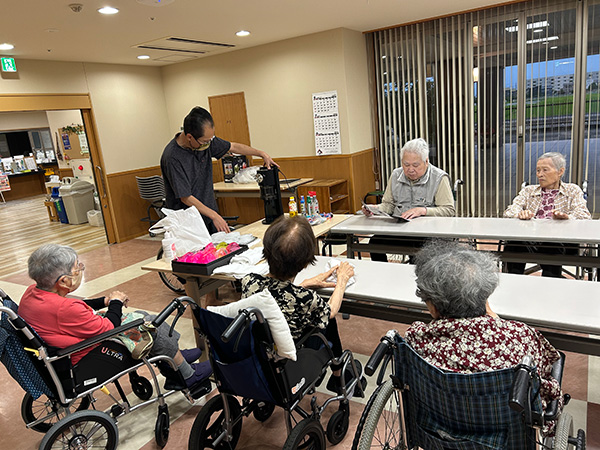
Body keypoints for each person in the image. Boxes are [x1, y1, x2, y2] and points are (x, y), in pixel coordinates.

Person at [405, 240, 562, 424]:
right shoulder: (520, 336)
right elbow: (544, 380)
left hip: (439, 426)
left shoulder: (416, 337)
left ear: (432, 307)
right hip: (506, 433)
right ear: (486, 294)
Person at [19, 244, 211, 390]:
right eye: (78, 268)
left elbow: (74, 306)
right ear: (63, 281)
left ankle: (174, 357)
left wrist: (105, 301)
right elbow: (110, 326)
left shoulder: (32, 293)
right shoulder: (66, 309)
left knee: (142, 316)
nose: (80, 270)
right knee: (149, 323)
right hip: (86, 355)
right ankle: (187, 374)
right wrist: (116, 302)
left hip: (61, 352)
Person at [240, 215, 356, 393]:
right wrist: (342, 280)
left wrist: (305, 284)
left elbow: (274, 296)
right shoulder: (306, 299)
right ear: (305, 262)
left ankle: (337, 374)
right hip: (291, 362)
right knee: (328, 321)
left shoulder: (249, 281)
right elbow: (331, 311)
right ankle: (338, 375)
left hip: (258, 358)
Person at [160, 106, 277, 234]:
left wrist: (261, 154)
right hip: (186, 223)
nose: (208, 144)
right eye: (204, 141)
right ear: (189, 137)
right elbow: (185, 197)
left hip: (208, 215)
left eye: (210, 140)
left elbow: (232, 147)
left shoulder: (205, 142)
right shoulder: (173, 157)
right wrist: (214, 215)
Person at [362, 138, 455, 262]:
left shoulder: (438, 178)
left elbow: (448, 210)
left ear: (426, 162)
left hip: (427, 233)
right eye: (406, 165)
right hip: (400, 231)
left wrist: (423, 211)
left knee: (419, 255)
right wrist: (375, 209)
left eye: (415, 165)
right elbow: (388, 205)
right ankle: (385, 276)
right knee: (375, 243)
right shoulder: (396, 175)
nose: (410, 169)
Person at [503, 152, 591, 277]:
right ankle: (513, 282)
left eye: (545, 170)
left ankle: (550, 284)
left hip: (562, 242)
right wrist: (520, 213)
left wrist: (567, 218)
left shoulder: (572, 190)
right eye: (538, 170)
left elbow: (584, 215)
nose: (540, 174)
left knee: (551, 244)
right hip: (531, 239)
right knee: (513, 244)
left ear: (560, 171)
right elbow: (509, 211)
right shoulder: (529, 191)